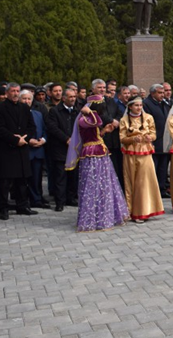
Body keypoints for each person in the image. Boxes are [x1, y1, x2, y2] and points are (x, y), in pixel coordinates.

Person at [66, 95, 128, 232]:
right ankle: (93, 218)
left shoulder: (90, 118)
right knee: (93, 185)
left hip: (100, 152)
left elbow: (96, 132)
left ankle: (107, 215)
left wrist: (104, 131)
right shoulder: (84, 119)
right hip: (91, 153)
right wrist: (89, 112)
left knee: (104, 184)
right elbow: (97, 122)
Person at [0, 82, 39, 220]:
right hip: (7, 149)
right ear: (7, 93)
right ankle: (3, 208)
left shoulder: (24, 107)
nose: (16, 93)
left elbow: (31, 127)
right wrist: (14, 139)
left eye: (17, 91)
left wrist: (25, 138)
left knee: (22, 180)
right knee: (5, 182)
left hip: (22, 148)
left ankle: (22, 206)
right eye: (13, 91)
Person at [119, 96, 164, 222]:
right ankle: (133, 211)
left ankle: (146, 210)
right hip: (131, 153)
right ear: (130, 107)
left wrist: (150, 137)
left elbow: (154, 133)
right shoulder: (124, 120)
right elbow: (122, 138)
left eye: (140, 105)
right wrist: (133, 139)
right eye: (136, 105)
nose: (139, 108)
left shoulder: (148, 117)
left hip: (145, 152)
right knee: (132, 181)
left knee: (145, 181)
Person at [46, 88, 80, 211]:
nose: (73, 99)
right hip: (60, 148)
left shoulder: (77, 111)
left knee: (73, 175)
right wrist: (66, 139)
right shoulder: (55, 111)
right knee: (60, 176)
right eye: (70, 97)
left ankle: (71, 198)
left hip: (74, 149)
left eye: (74, 97)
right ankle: (60, 202)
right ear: (64, 98)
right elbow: (52, 127)